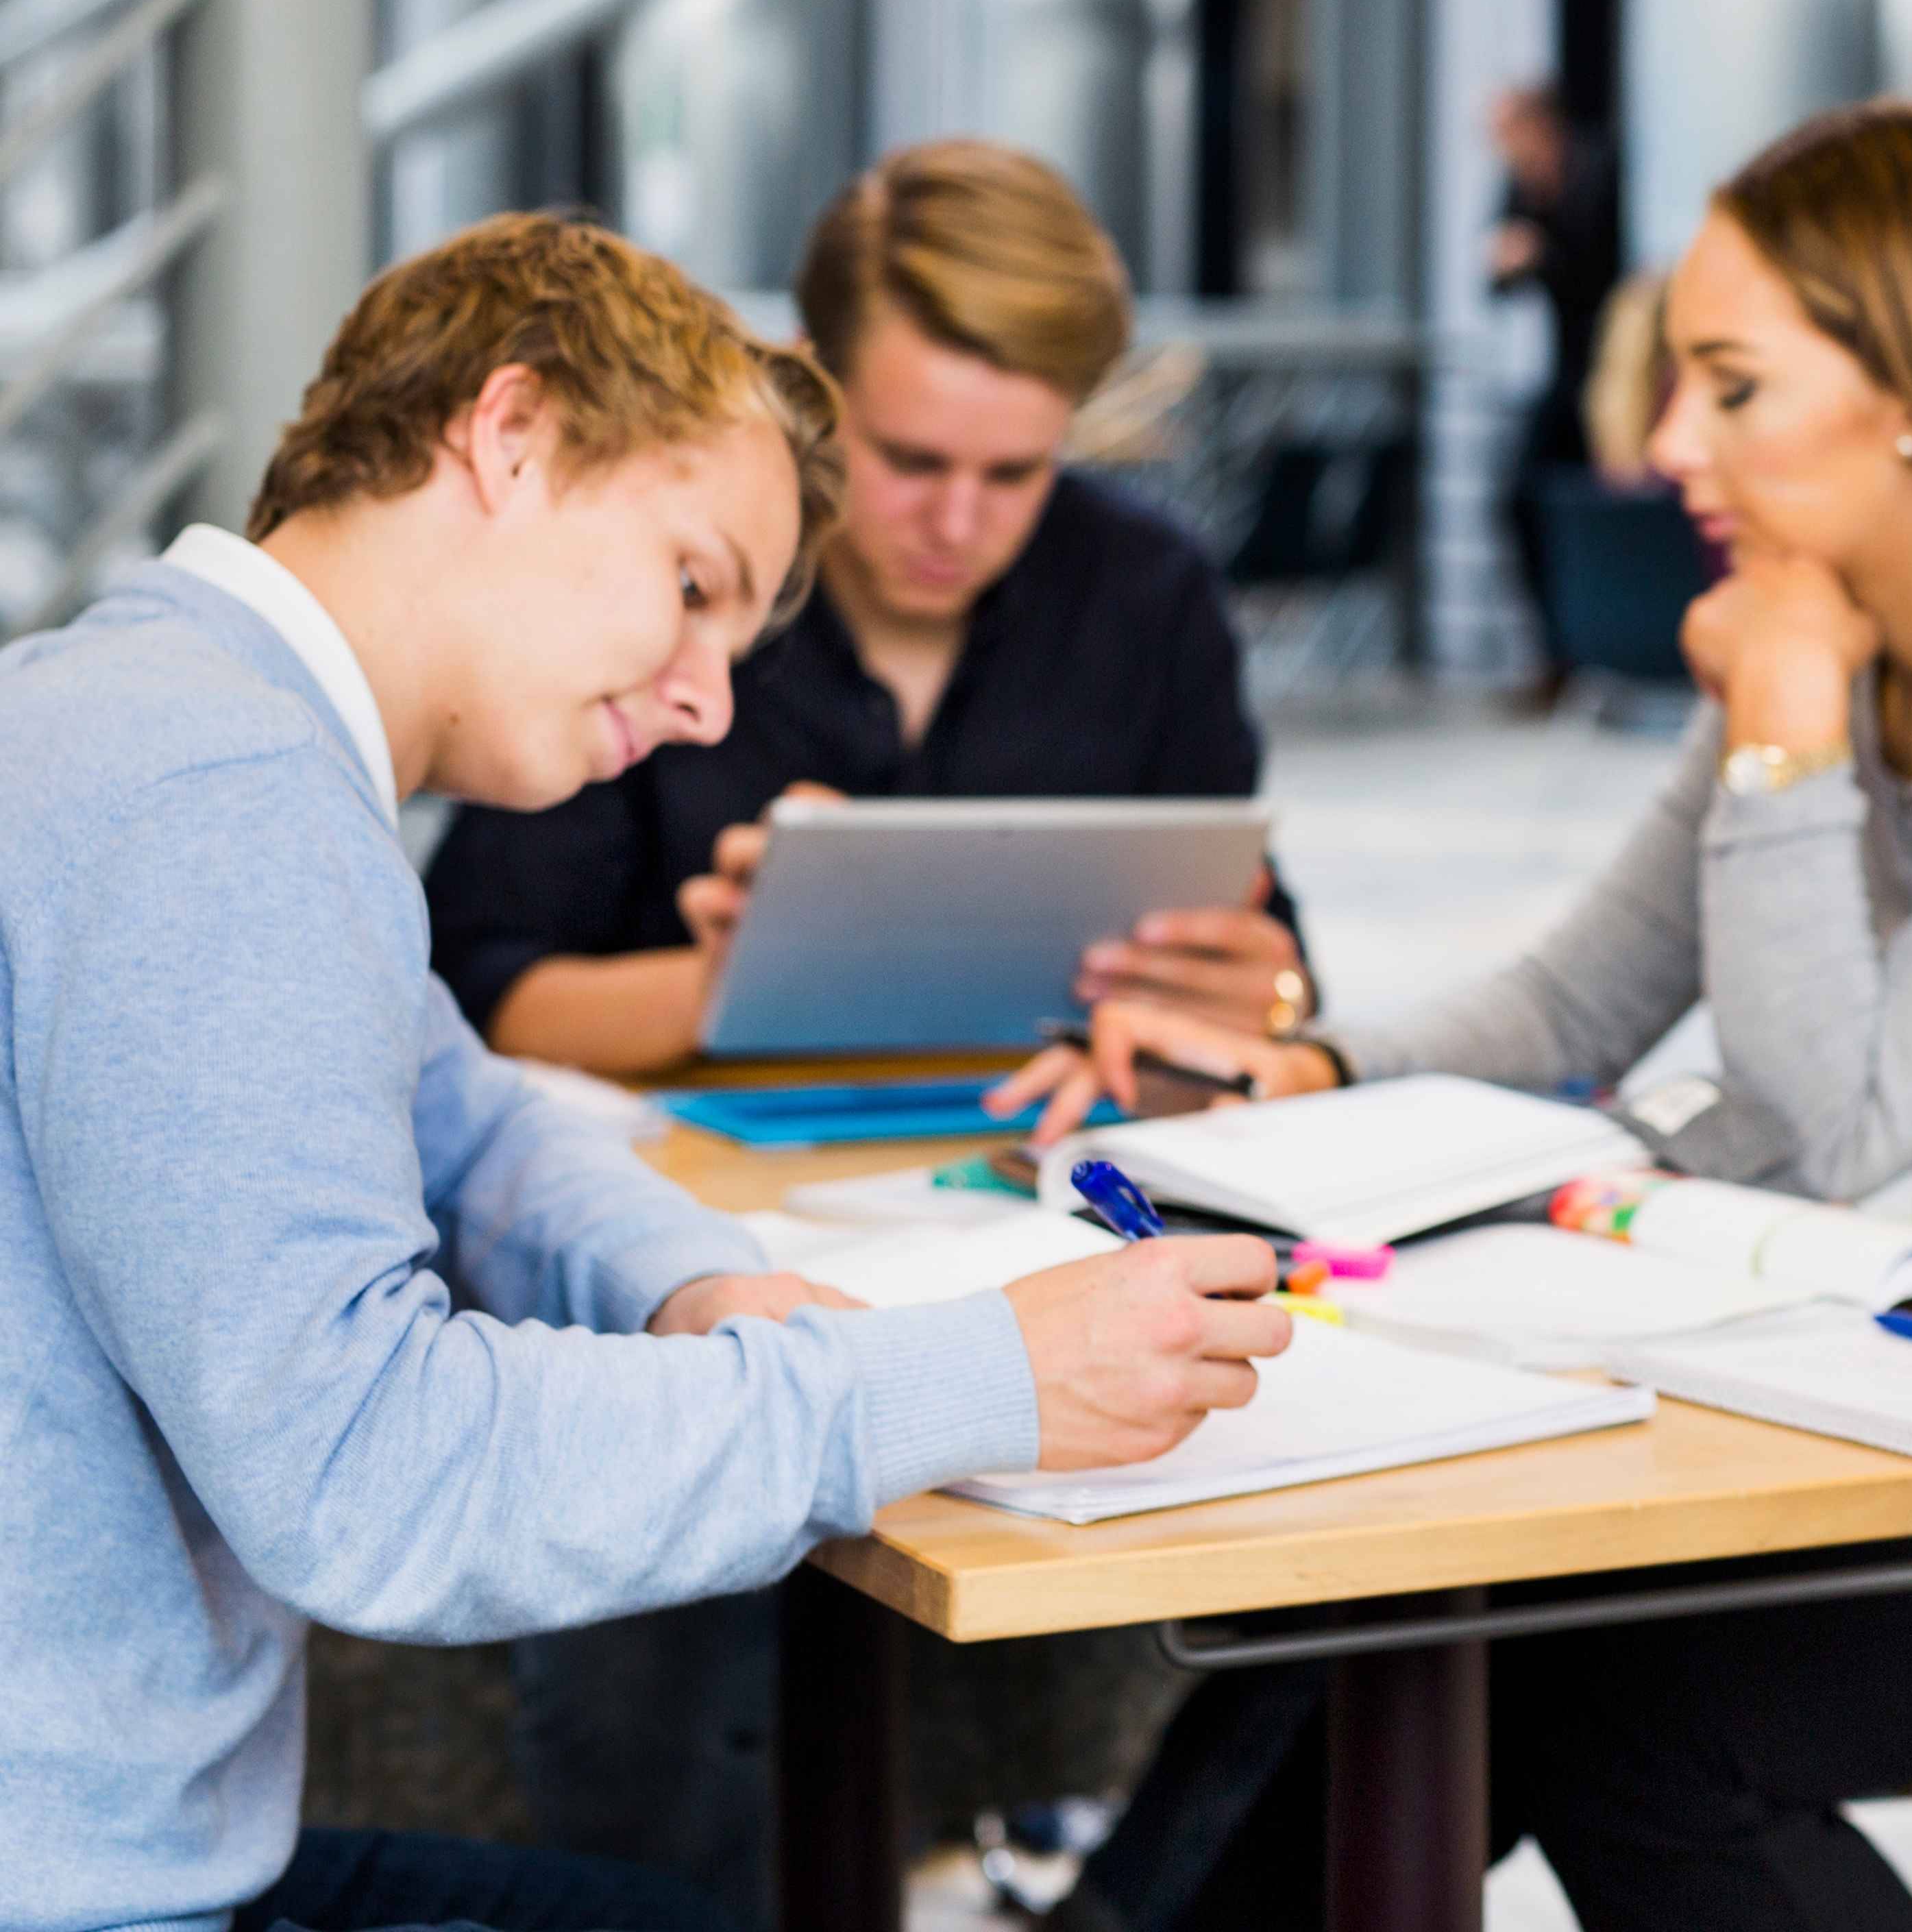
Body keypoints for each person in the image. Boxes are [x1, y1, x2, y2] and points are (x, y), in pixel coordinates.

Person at [990, 98, 1912, 1932]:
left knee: (1626, 1711)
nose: (1658, 446)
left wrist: (1785, 739)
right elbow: (1574, 1000)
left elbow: (1839, 1117)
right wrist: (1296, 1070)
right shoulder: (1827, 648)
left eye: (1729, 388)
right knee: (1443, 1613)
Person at [0, 215, 1289, 1932]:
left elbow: (471, 1126)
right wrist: (958, 1375)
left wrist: (696, 1280)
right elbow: (371, 1476)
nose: (701, 705)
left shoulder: (167, 707)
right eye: (692, 585)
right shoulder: (222, 796)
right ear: (510, 433)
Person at [427, 138, 1310, 1079]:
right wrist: (734, 981)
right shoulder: (664, 586)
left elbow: (1273, 960)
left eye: (1015, 472)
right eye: (912, 461)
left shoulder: (1149, 593)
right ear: (812, 387)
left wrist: (1269, 996)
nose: (957, 521)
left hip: (1049, 1167)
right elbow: (474, 992)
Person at [1486, 80, 1627, 696]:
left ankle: (1609, 650)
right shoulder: (1519, 184)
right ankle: (1556, 653)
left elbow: (1601, 267)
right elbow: (1497, 283)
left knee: (1616, 503)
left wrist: (1538, 254)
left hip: (1618, 367)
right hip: (1566, 372)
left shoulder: (1598, 170)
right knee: (1520, 500)